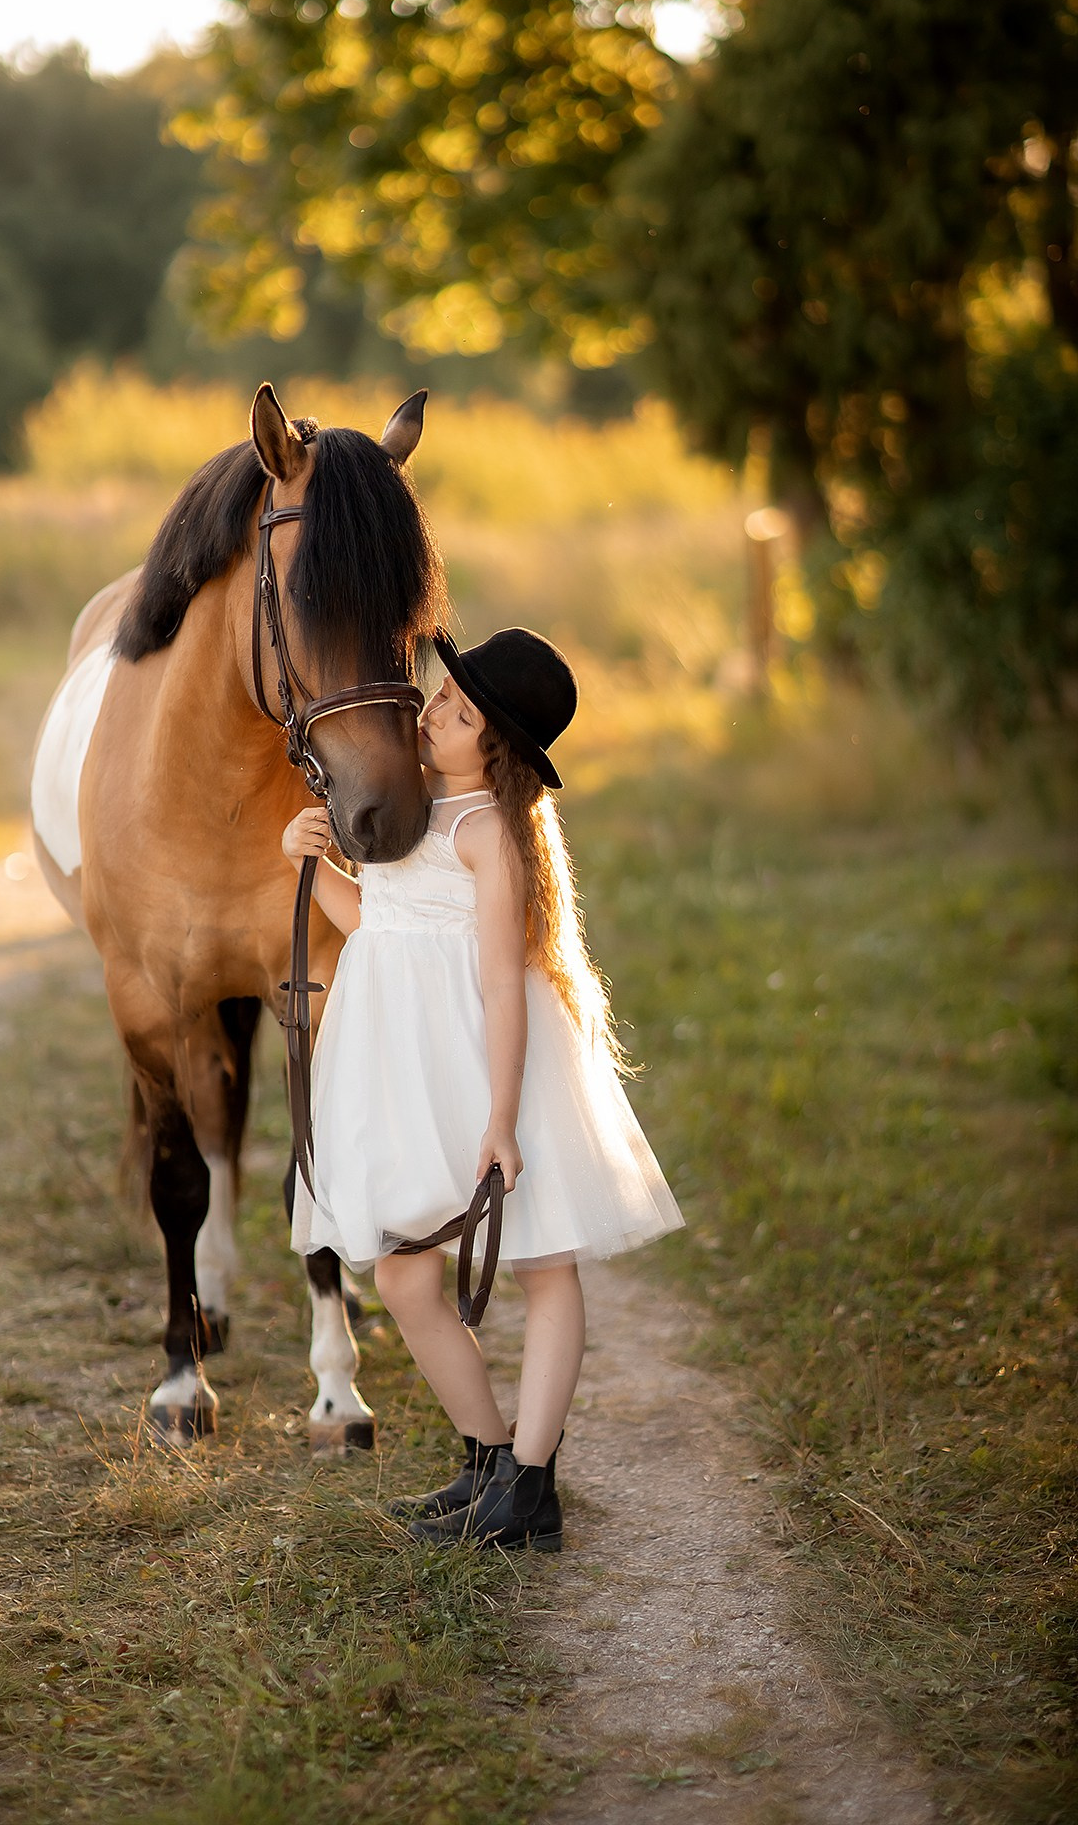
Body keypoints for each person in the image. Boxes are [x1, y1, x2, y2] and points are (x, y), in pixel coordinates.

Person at [281, 628, 684, 1550]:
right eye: (441, 695)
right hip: (412, 1072)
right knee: (402, 1272)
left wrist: (503, 1120)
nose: (432, 712)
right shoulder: (411, 810)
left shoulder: (489, 834)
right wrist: (306, 862)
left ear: (495, 748)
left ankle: (531, 1487)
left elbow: (503, 982)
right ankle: (490, 1457)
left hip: (486, 1068)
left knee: (544, 1264)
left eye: (459, 713)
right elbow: (375, 923)